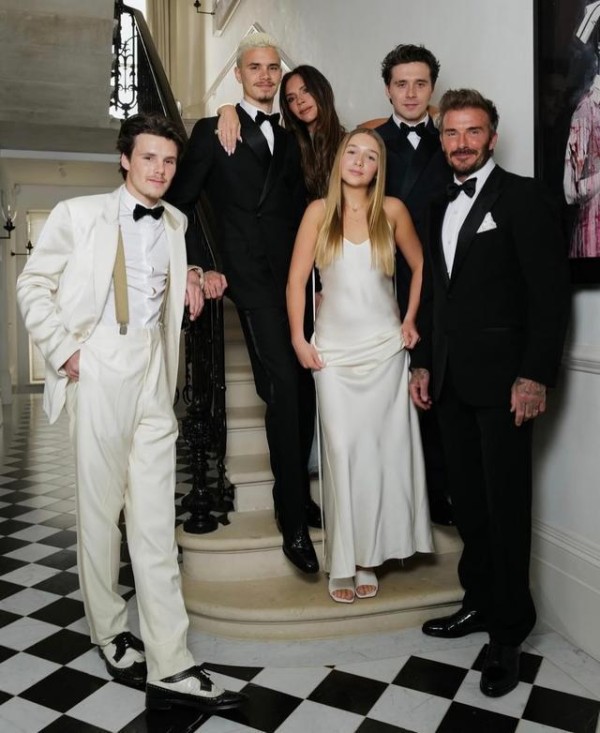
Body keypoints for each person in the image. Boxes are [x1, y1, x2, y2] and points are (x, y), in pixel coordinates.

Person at [16, 113, 245, 713]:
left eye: (169, 161)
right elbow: (32, 284)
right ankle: (110, 630)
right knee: (99, 512)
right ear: (125, 159)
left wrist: (192, 273)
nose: (160, 170)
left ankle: (171, 661)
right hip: (99, 362)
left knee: (154, 519)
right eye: (148, 158)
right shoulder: (78, 214)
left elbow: (164, 276)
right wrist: (64, 351)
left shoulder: (175, 221)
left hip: (153, 371)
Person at [409, 89, 570, 698]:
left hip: (507, 384)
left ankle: (509, 629)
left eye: (472, 131)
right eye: (451, 132)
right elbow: (435, 294)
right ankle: (478, 601)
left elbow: (548, 295)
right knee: (469, 503)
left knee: (505, 505)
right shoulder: (436, 203)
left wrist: (534, 376)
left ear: (492, 137)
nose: (461, 143)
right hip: (450, 380)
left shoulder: (525, 197)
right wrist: (424, 363)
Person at [165, 33, 320, 574]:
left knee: (305, 388)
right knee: (283, 389)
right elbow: (179, 204)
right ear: (238, 74)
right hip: (250, 280)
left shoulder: (296, 135)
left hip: (299, 277)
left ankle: (292, 493)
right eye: (255, 67)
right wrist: (201, 265)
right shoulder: (213, 131)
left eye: (273, 68)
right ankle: (292, 519)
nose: (265, 76)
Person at [287, 128, 433, 603]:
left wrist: (409, 319)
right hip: (333, 354)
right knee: (341, 453)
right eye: (352, 151)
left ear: (378, 168)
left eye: (370, 156)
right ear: (339, 159)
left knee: (377, 456)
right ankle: (341, 560)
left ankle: (367, 557)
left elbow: (421, 266)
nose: (359, 161)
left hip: (385, 352)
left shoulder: (392, 211)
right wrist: (298, 338)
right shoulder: (318, 212)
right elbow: (296, 282)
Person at [375, 43, 454, 527]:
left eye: (420, 84)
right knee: (388, 392)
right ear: (388, 89)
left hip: (439, 278)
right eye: (401, 84)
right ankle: (392, 497)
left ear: (432, 88)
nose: (410, 93)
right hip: (381, 280)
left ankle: (437, 493)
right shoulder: (370, 142)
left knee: (433, 383)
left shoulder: (451, 139)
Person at [217, 64, 345, 201]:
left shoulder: (348, 144)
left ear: (321, 90)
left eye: (306, 90)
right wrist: (226, 108)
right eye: (291, 99)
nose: (300, 101)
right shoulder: (287, 144)